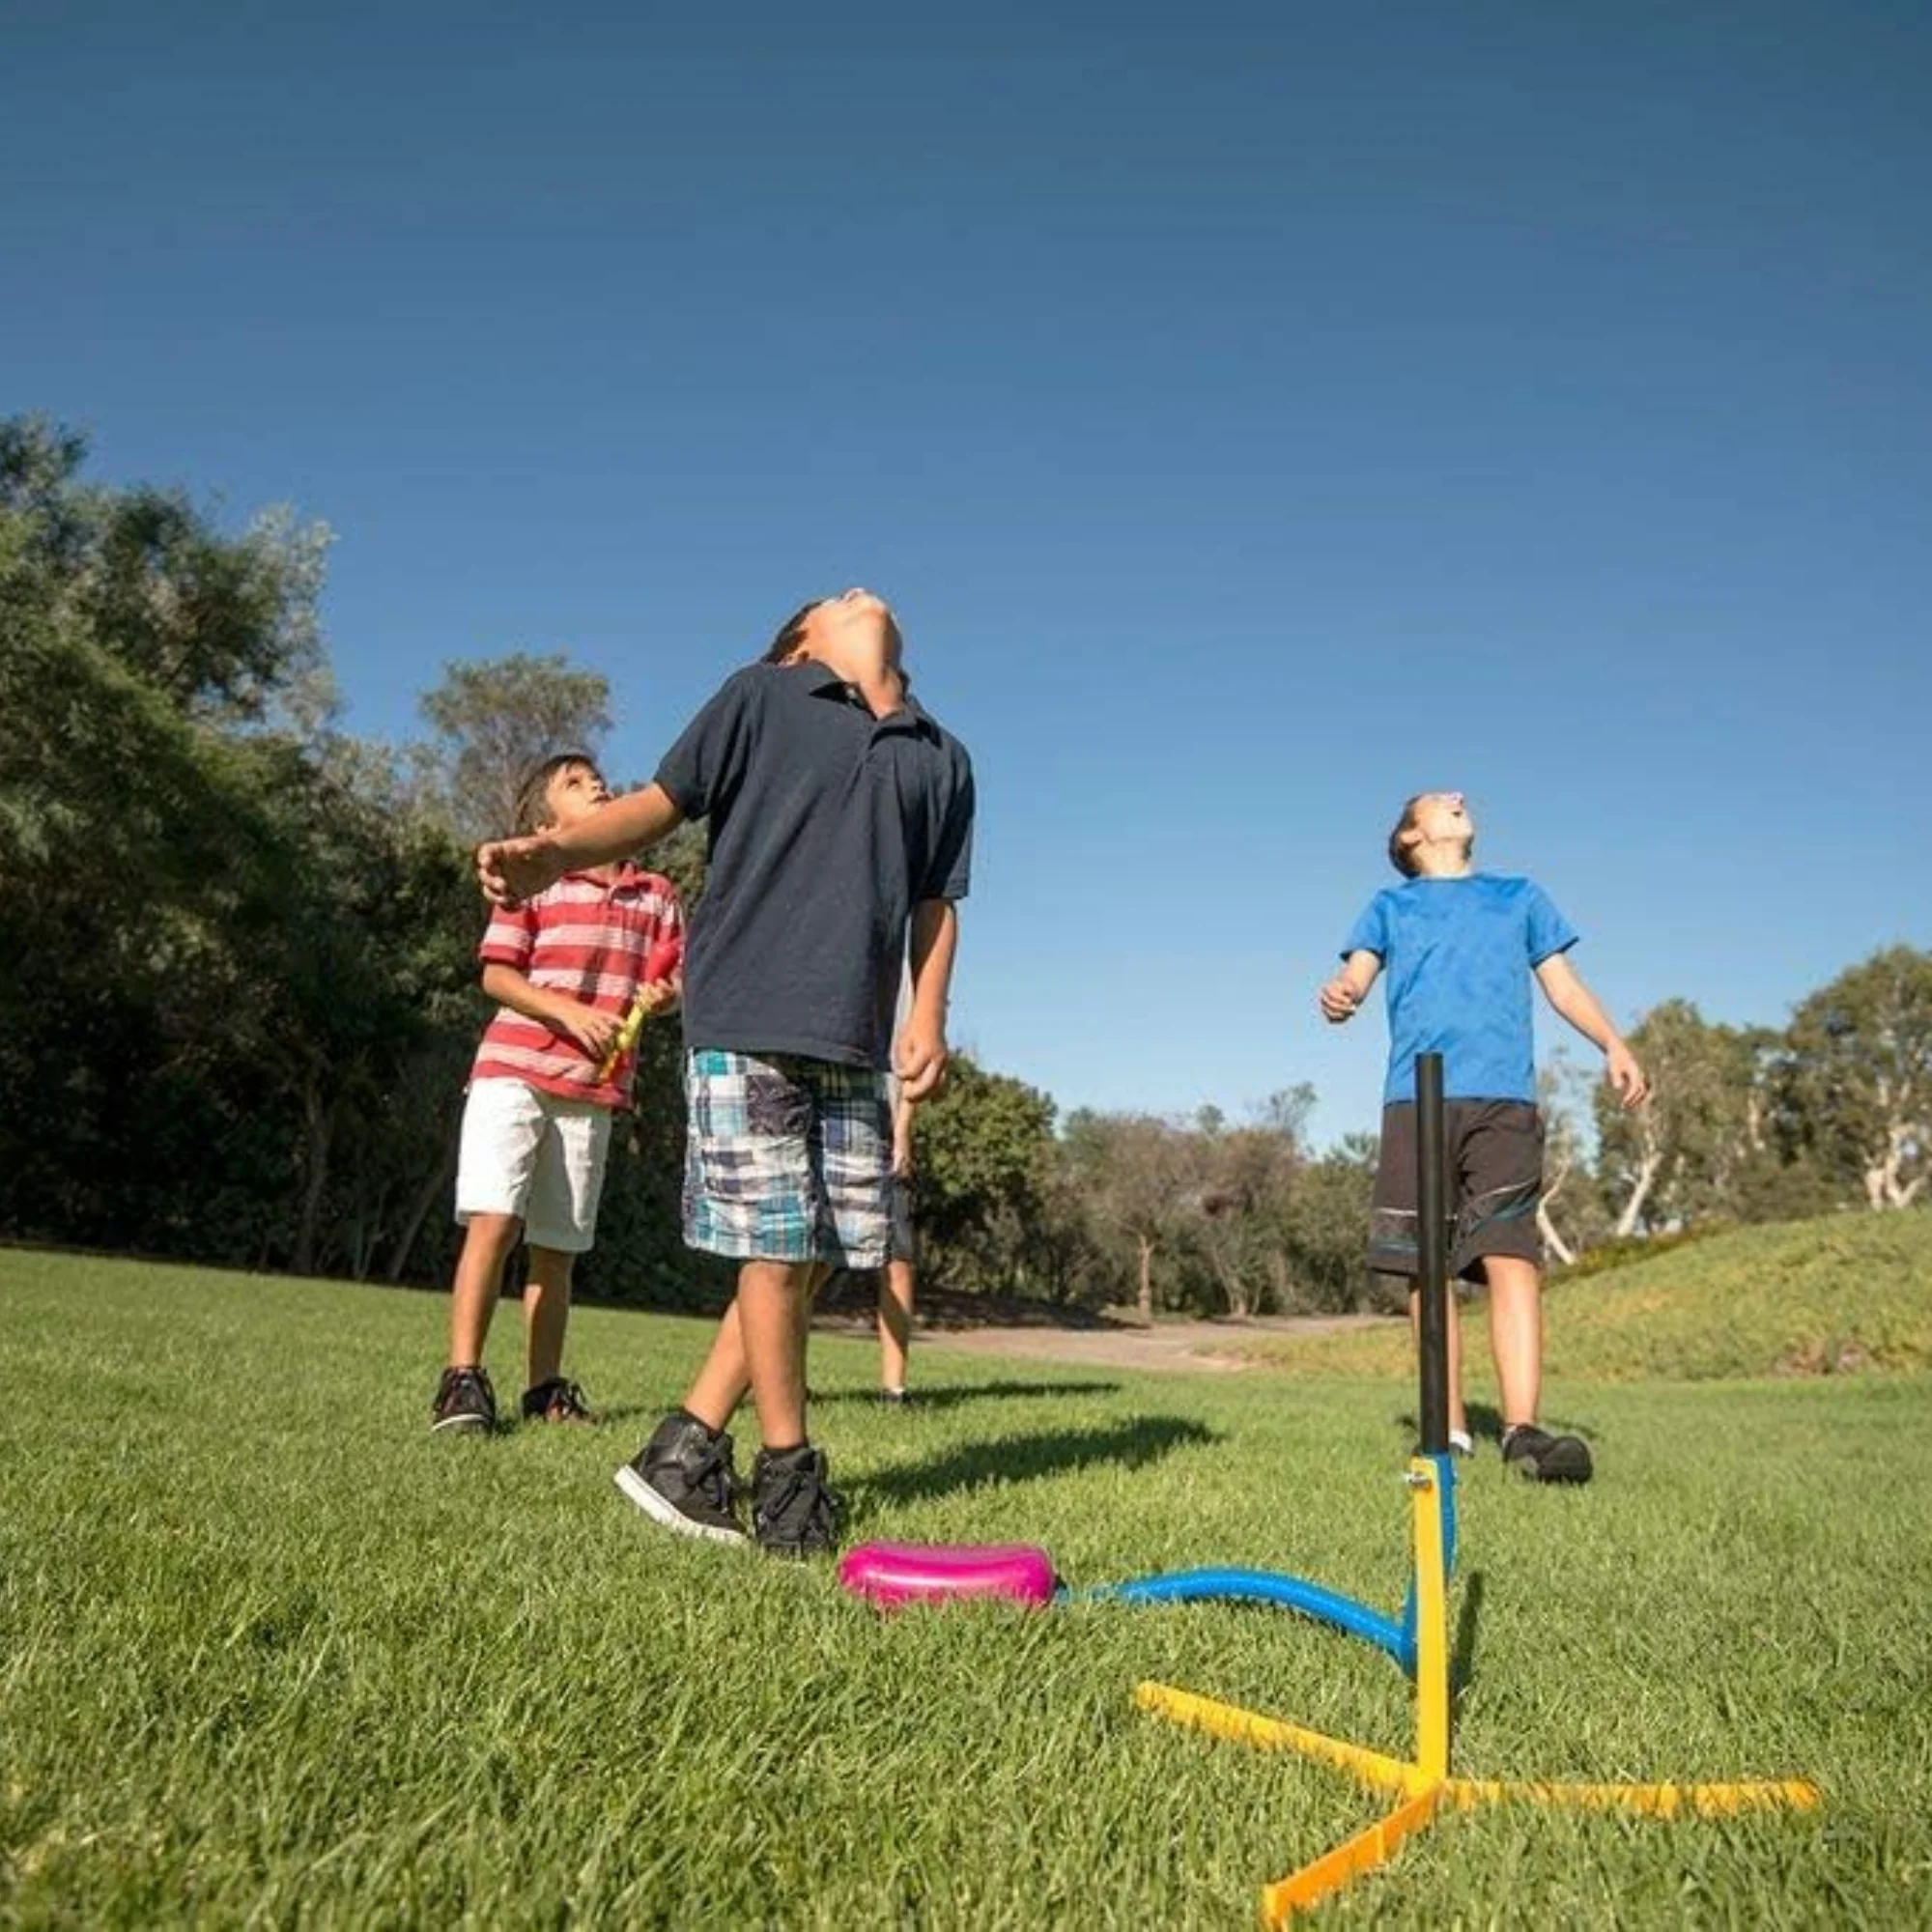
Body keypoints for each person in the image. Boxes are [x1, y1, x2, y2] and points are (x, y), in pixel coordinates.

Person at [476, 589, 973, 1555]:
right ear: (800, 647)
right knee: (775, 1249)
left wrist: (928, 1014)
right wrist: (553, 852)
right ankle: (788, 1476)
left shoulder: (940, 755)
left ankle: (683, 1446)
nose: (859, 594)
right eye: (835, 599)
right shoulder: (761, 696)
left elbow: (934, 900)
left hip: (854, 1033)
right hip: (746, 1012)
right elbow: (650, 809)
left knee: (826, 1245)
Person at [1320, 791, 1648, 1483]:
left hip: (1504, 1099)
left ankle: (1523, 1432)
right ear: (1410, 837)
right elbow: (1357, 974)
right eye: (1441, 801)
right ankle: (1448, 1430)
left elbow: (1563, 987)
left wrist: (1613, 1043)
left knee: (1511, 1254)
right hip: (1416, 1098)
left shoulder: (1520, 897)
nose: (1459, 799)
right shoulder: (1389, 906)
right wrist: (1342, 993)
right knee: (1426, 1263)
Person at [431, 753, 683, 1434]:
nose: (596, 783)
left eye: (596, 777)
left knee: (557, 1247)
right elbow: (497, 976)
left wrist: (664, 997)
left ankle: (544, 1391)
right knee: (494, 1222)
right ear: (545, 826)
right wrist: (568, 1013)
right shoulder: (533, 880)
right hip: (512, 1073)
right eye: (574, 783)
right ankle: (462, 1379)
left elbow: (672, 978)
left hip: (591, 1090)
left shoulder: (657, 892)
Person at [877, 1079, 918, 1404]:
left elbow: (910, 1076)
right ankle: (790, 1380)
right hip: (828, 1132)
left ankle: (894, 1390)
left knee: (898, 1263)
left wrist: (901, 1131)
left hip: (887, 1143)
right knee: (806, 1266)